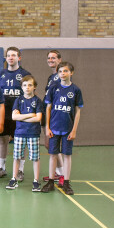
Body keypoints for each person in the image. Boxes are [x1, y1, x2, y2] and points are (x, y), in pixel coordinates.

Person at [41, 62, 83, 195]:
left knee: (67, 155)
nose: (62, 74)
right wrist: (47, 127)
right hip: (54, 129)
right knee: (53, 155)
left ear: (71, 73)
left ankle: (66, 182)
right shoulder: (53, 88)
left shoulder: (76, 90)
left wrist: (74, 130)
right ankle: (51, 182)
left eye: (65, 71)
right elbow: (48, 108)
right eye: (60, 71)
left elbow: (77, 112)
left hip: (68, 129)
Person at [0, 47, 31, 180]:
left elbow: (30, 94)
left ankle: (20, 170)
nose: (11, 57)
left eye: (14, 55)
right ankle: (2, 168)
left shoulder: (26, 74)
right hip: (4, 113)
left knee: (20, 142)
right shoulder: (0, 74)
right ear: (5, 58)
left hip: (19, 114)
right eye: (8, 55)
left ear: (19, 58)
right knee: (3, 140)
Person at [6, 75, 43, 191]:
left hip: (33, 133)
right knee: (17, 157)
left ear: (34, 87)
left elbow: (38, 119)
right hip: (20, 133)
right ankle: (14, 179)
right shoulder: (18, 100)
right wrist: (30, 114)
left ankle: (36, 181)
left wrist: (21, 117)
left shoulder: (37, 101)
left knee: (35, 158)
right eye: (25, 85)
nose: (27, 87)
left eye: (30, 85)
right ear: (22, 87)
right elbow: (13, 117)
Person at [42, 50, 64, 184]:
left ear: (59, 60)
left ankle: (62, 174)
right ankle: (57, 173)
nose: (51, 60)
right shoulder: (51, 77)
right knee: (48, 144)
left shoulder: (61, 76)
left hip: (55, 115)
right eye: (49, 58)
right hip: (47, 112)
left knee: (53, 144)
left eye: (53, 58)